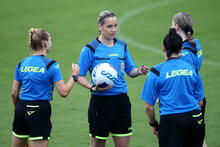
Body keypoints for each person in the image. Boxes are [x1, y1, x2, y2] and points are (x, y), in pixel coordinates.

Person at [77, 10, 149, 147]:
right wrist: (92, 87)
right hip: (100, 102)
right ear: (100, 26)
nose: (114, 29)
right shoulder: (90, 49)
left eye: (115, 25)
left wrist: (139, 71)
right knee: (98, 144)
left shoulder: (122, 46)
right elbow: (78, 76)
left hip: (122, 100)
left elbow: (130, 70)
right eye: (109, 26)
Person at [11, 28, 80, 147]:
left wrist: (19, 110)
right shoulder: (51, 65)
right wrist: (74, 76)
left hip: (20, 109)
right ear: (45, 43)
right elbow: (63, 92)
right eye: (50, 40)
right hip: (38, 110)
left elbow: (14, 94)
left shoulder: (21, 63)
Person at [140, 28, 205, 147]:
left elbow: (148, 107)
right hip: (195, 121)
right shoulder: (193, 69)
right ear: (181, 49)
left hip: (171, 122)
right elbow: (200, 102)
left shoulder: (156, 72)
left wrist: (153, 124)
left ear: (163, 48)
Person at [171, 12, 207, 147]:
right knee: (200, 140)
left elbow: (184, 80)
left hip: (189, 101)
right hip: (199, 96)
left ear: (176, 26)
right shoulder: (196, 43)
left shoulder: (183, 54)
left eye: (172, 24)